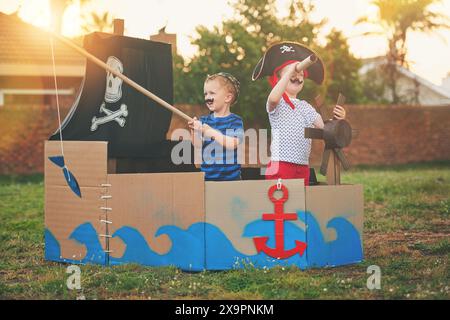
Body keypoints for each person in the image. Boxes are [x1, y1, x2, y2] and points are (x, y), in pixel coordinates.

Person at [252, 42, 346, 185]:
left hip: (302, 165)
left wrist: (339, 120)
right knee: (280, 203)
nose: (298, 76)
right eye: (292, 73)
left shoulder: (306, 107)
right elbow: (273, 98)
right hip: (281, 164)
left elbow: (326, 128)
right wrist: (291, 70)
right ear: (278, 79)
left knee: (300, 201)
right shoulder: (277, 103)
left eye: (301, 74)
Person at [188, 72, 244, 181]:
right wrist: (194, 131)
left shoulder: (235, 121)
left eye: (212, 93)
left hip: (231, 180)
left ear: (227, 98)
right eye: (205, 94)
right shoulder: (204, 120)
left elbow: (232, 144)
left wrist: (210, 132)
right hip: (208, 178)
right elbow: (198, 145)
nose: (207, 97)